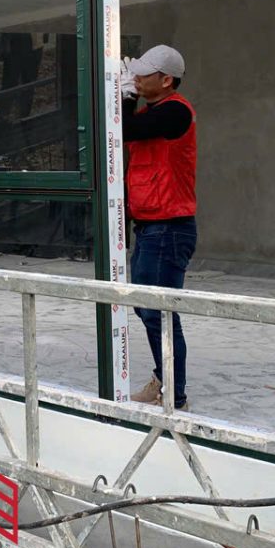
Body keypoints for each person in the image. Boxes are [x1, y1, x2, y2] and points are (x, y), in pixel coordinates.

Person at [120, 45, 197, 411]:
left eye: (144, 74)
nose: (136, 78)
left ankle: (174, 393)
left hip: (169, 227)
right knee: (147, 308)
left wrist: (124, 99)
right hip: (151, 226)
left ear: (166, 80)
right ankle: (165, 380)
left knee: (158, 312)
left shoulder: (175, 112)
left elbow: (127, 129)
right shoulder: (154, 112)